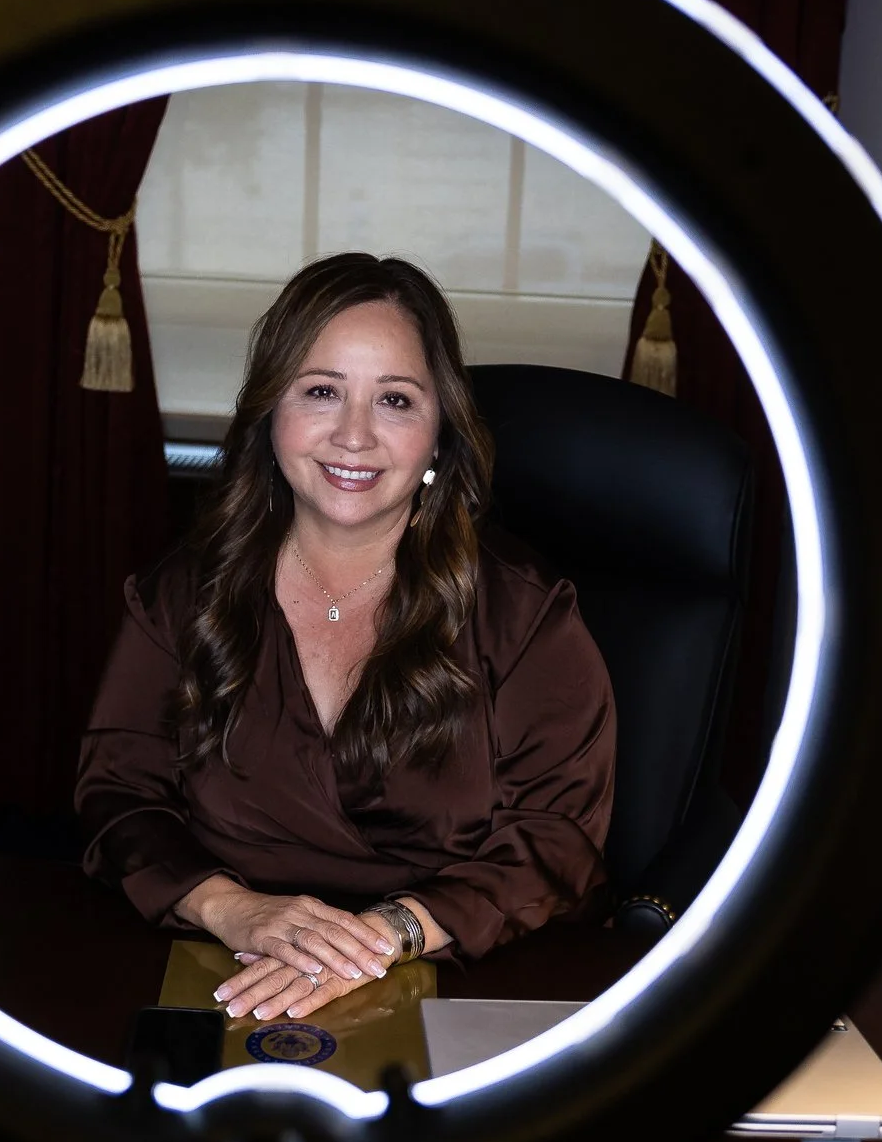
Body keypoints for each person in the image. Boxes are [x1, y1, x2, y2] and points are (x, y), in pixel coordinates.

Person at [76, 253, 615, 1026]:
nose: (354, 435)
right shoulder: (183, 591)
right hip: (233, 965)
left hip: (473, 972)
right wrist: (231, 908)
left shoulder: (526, 612)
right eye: (322, 391)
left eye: (395, 399)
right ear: (271, 415)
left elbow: (557, 840)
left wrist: (381, 935)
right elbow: (117, 792)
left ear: (439, 434)